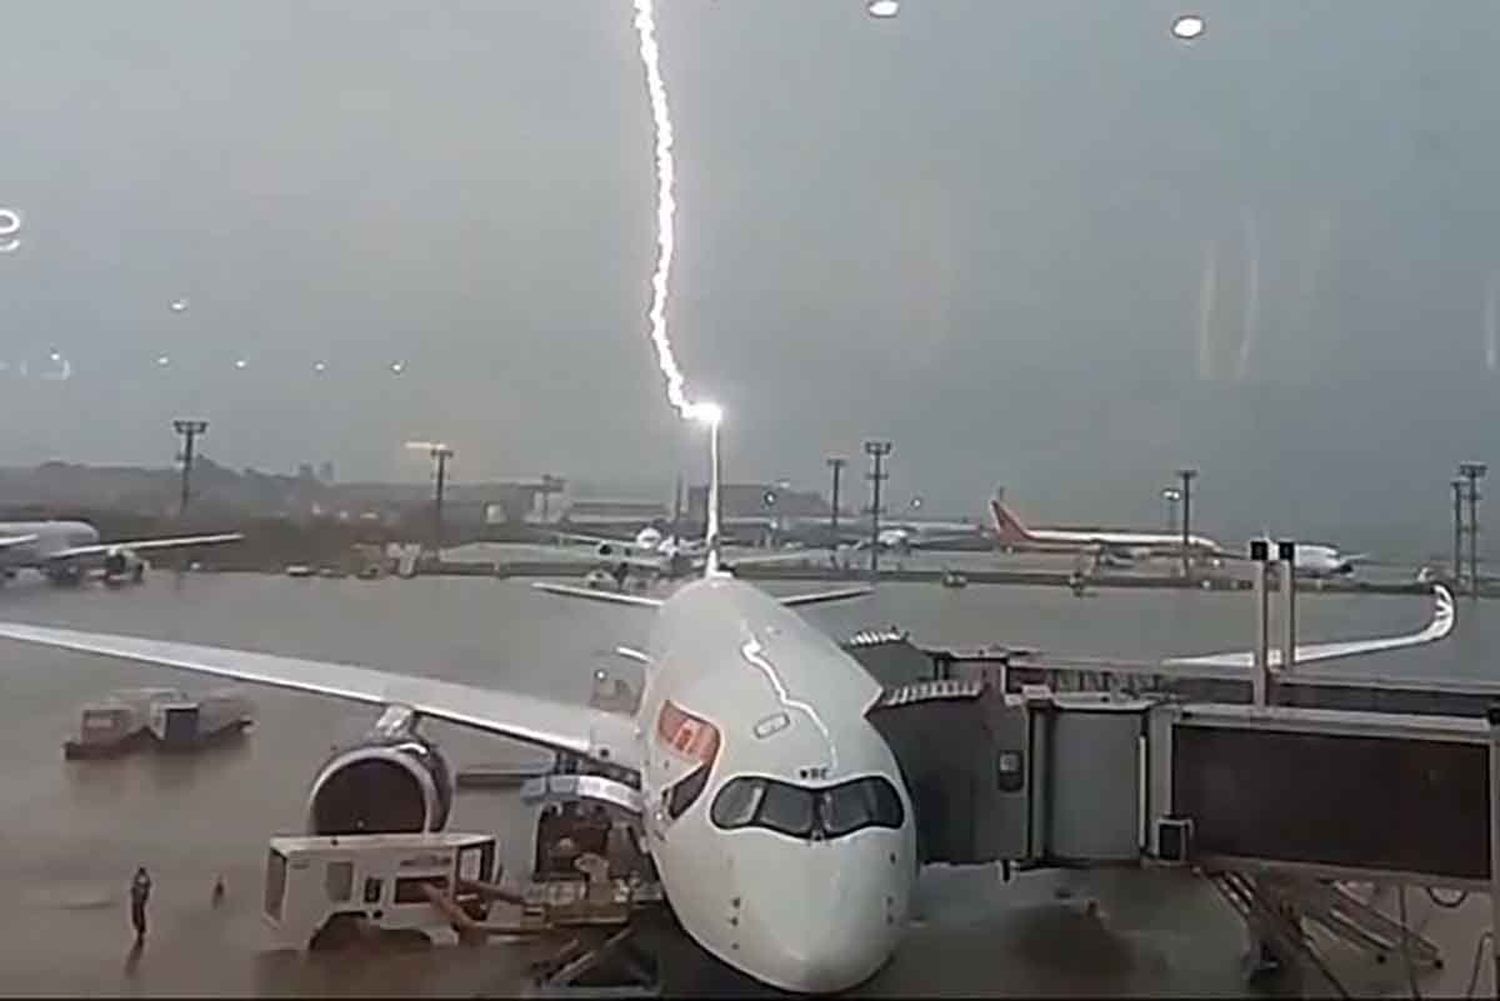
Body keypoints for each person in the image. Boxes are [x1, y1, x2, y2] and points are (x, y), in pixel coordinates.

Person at [129, 867, 152, 943]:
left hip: (138, 902)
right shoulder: (140, 881)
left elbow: (146, 886)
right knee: (136, 918)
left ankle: (140, 933)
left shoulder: (142, 882)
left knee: (138, 918)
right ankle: (140, 932)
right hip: (136, 902)